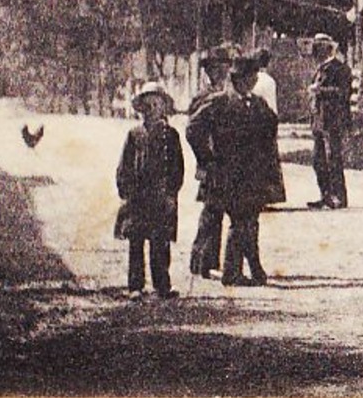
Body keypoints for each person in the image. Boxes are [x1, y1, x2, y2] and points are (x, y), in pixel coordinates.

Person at [188, 53, 279, 285]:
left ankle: (249, 269)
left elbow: (271, 129)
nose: (253, 81)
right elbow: (193, 129)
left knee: (249, 222)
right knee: (238, 222)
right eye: (248, 77)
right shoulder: (220, 102)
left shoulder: (259, 104)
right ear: (236, 78)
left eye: (255, 77)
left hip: (251, 175)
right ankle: (232, 272)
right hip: (226, 173)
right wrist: (207, 158)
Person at [114, 83, 186, 299]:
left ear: (164, 107)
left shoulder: (170, 136)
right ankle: (135, 285)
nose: (152, 109)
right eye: (148, 105)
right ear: (141, 109)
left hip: (161, 195)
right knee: (136, 241)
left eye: (157, 104)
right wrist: (125, 192)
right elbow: (124, 166)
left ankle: (162, 285)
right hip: (138, 196)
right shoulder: (134, 135)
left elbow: (177, 168)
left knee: (160, 242)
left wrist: (172, 193)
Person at [186, 43, 236, 278]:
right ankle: (201, 260)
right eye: (217, 68)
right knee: (211, 210)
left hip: (227, 161)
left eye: (225, 67)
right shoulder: (204, 97)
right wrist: (205, 157)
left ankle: (211, 260)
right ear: (210, 71)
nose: (222, 72)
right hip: (211, 161)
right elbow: (193, 130)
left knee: (220, 207)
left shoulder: (230, 94)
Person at [307, 33, 353, 210]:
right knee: (318, 160)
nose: (314, 52)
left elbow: (343, 93)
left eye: (317, 49)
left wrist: (321, 90)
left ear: (326, 49)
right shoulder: (320, 69)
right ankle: (325, 195)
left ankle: (338, 196)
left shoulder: (340, 69)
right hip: (319, 120)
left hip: (332, 120)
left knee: (333, 158)